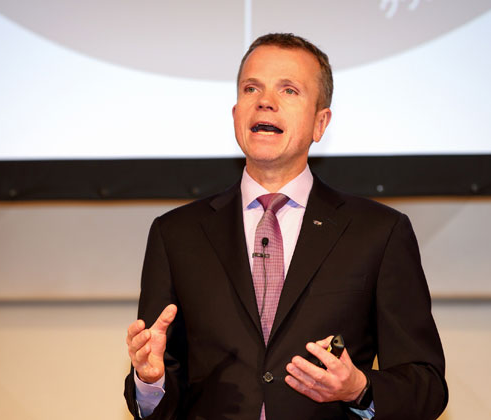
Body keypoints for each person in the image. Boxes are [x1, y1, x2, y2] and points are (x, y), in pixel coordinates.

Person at [125, 33, 448, 420]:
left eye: (289, 90)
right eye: (251, 88)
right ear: (236, 114)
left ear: (320, 123)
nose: (264, 101)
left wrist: (359, 389)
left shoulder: (378, 232)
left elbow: (426, 385)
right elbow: (164, 390)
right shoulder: (176, 234)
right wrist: (151, 380)